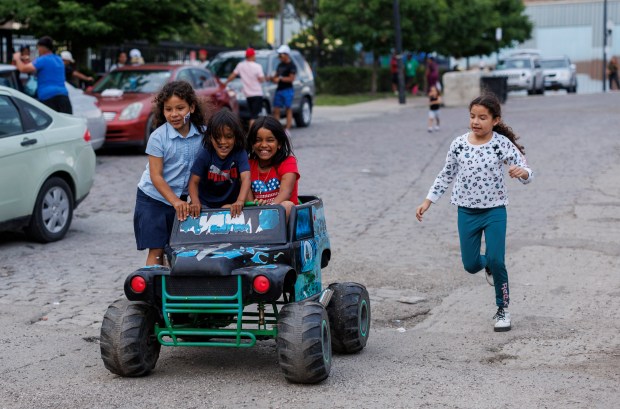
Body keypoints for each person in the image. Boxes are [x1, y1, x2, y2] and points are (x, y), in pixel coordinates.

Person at [415, 93, 533, 332]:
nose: (476, 122)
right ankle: (487, 265)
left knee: (497, 259)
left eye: (482, 117)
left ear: (495, 120)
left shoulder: (501, 143)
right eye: (472, 116)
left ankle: (503, 309)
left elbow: (526, 169)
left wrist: (523, 173)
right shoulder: (459, 144)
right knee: (470, 264)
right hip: (466, 211)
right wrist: (428, 200)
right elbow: (446, 174)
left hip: (495, 211)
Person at [134, 81, 205, 266]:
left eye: (180, 108)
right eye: (168, 109)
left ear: (192, 107)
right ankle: (153, 291)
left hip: (181, 200)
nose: (174, 114)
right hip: (153, 199)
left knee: (179, 249)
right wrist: (175, 201)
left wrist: (194, 198)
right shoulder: (158, 137)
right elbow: (156, 176)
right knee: (156, 250)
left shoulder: (203, 135)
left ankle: (175, 291)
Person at [188, 110, 251, 219]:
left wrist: (240, 201)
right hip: (205, 205)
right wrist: (195, 202)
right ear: (210, 137)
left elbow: (246, 178)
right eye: (217, 137)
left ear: (236, 137)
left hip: (231, 204)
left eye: (228, 136)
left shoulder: (240, 153)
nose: (223, 142)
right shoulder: (206, 154)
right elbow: (193, 182)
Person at [246, 116, 300, 219]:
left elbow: (286, 192)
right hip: (258, 215)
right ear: (252, 144)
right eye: (258, 140)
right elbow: (249, 201)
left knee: (287, 205)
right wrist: (255, 205)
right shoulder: (248, 165)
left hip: (284, 217)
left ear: (279, 143)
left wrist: (268, 209)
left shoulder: (288, 162)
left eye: (270, 140)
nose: (264, 145)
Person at [12, 36, 72, 114]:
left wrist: (17, 58)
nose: (38, 50)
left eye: (38, 48)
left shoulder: (42, 60)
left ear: (43, 47)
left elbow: (23, 69)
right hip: (64, 96)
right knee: (68, 123)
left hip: (48, 98)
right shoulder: (59, 59)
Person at [223, 48, 265, 129]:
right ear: (252, 56)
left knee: (251, 115)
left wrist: (225, 83)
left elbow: (233, 75)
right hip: (257, 93)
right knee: (254, 116)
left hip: (248, 94)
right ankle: (251, 134)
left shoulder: (240, 65)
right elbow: (261, 79)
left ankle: (251, 132)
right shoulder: (258, 66)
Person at [271, 44, 297, 135]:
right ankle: (277, 128)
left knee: (288, 109)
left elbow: (291, 79)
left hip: (288, 90)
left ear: (286, 54)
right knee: (276, 109)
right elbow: (275, 77)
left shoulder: (292, 66)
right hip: (279, 89)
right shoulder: (279, 65)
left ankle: (287, 129)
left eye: (281, 55)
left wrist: (281, 79)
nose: (279, 57)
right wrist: (273, 78)